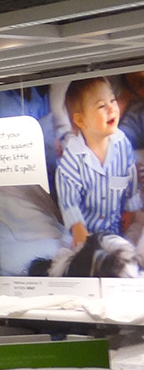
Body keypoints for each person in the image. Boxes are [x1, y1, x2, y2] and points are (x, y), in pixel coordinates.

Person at [55, 76, 142, 245]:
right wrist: (78, 228)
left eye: (112, 100)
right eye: (102, 106)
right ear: (80, 120)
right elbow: (69, 202)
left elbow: (129, 178)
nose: (111, 109)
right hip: (87, 232)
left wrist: (129, 210)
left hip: (117, 228)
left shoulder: (121, 142)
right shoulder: (71, 159)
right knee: (69, 251)